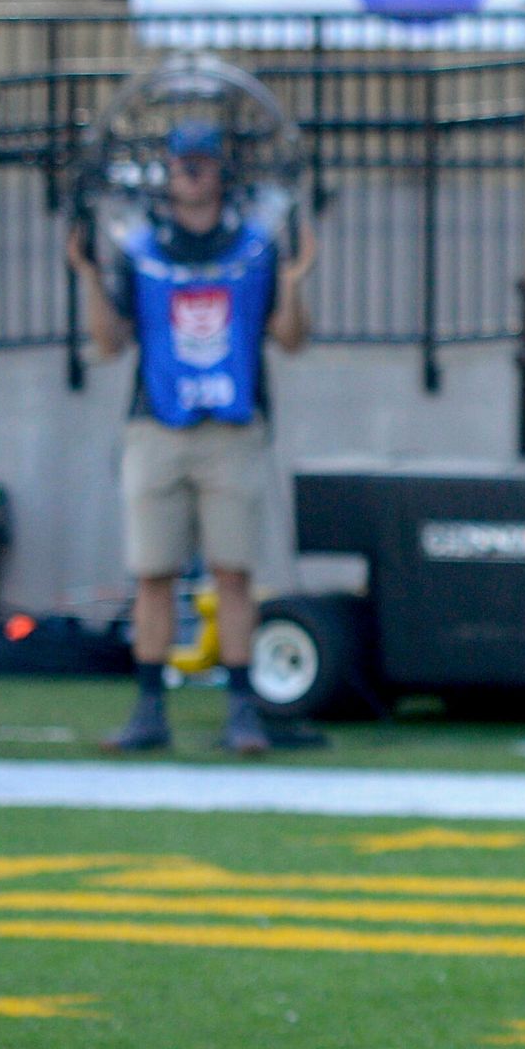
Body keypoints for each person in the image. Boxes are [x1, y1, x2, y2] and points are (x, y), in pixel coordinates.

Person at [65, 120, 319, 759]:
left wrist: (292, 280)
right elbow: (108, 342)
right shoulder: (143, 250)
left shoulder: (256, 250)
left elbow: (290, 340)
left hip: (232, 429)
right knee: (154, 572)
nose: (195, 174)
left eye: (206, 163)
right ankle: (149, 708)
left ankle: (242, 709)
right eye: (185, 165)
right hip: (157, 424)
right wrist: (89, 275)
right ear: (169, 174)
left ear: (222, 172)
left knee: (234, 573)